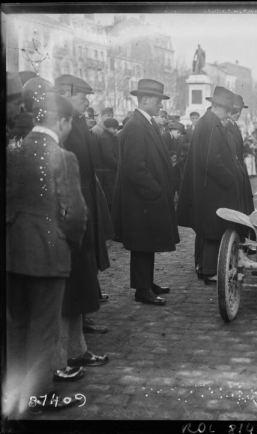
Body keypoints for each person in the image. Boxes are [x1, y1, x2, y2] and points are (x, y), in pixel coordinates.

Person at [5, 92, 88, 418]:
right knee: (43, 329)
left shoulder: (14, 153)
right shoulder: (63, 157)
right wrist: (70, 243)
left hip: (13, 254)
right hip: (49, 256)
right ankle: (37, 398)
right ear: (63, 121)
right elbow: (76, 215)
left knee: (15, 326)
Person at [54, 74, 112, 370]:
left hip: (84, 206)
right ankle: (68, 352)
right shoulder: (61, 127)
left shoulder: (77, 124)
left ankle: (77, 348)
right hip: (72, 211)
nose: (87, 102)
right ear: (64, 94)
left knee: (81, 279)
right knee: (73, 283)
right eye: (82, 97)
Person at [112, 79, 180, 306]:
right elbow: (134, 166)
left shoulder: (145, 123)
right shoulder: (135, 125)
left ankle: (147, 283)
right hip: (141, 198)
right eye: (157, 99)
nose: (160, 103)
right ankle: (142, 289)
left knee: (147, 241)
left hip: (146, 197)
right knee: (142, 243)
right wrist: (155, 190)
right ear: (144, 100)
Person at [177, 86, 243, 285]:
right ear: (218, 107)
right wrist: (230, 178)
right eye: (227, 110)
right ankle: (209, 270)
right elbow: (211, 161)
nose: (229, 114)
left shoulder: (208, 122)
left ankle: (207, 268)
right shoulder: (211, 124)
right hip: (212, 189)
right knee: (213, 229)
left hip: (208, 188)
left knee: (211, 230)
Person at [224, 94, 254, 216]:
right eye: (235, 110)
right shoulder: (225, 126)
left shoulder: (234, 125)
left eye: (240, 111)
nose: (238, 114)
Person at [95, 117, 119, 213]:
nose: (116, 130)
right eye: (114, 128)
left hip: (111, 171)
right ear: (108, 128)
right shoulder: (106, 138)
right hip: (110, 172)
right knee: (111, 197)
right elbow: (108, 157)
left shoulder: (109, 136)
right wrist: (119, 166)